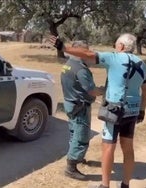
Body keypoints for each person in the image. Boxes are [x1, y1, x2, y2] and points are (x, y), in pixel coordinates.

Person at [50, 33, 146, 188]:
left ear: (121, 46)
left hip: (115, 110)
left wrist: (64, 48)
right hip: (132, 110)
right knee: (128, 148)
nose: (115, 47)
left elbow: (88, 54)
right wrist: (142, 110)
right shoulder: (142, 64)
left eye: (116, 44)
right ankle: (125, 184)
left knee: (108, 147)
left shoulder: (114, 58)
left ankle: (105, 185)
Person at [61, 40, 104, 180]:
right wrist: (103, 90)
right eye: (85, 51)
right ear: (78, 50)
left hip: (70, 103)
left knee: (74, 133)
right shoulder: (80, 69)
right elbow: (91, 91)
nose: (88, 53)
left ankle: (75, 157)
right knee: (81, 136)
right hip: (80, 107)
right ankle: (71, 167)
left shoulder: (67, 65)